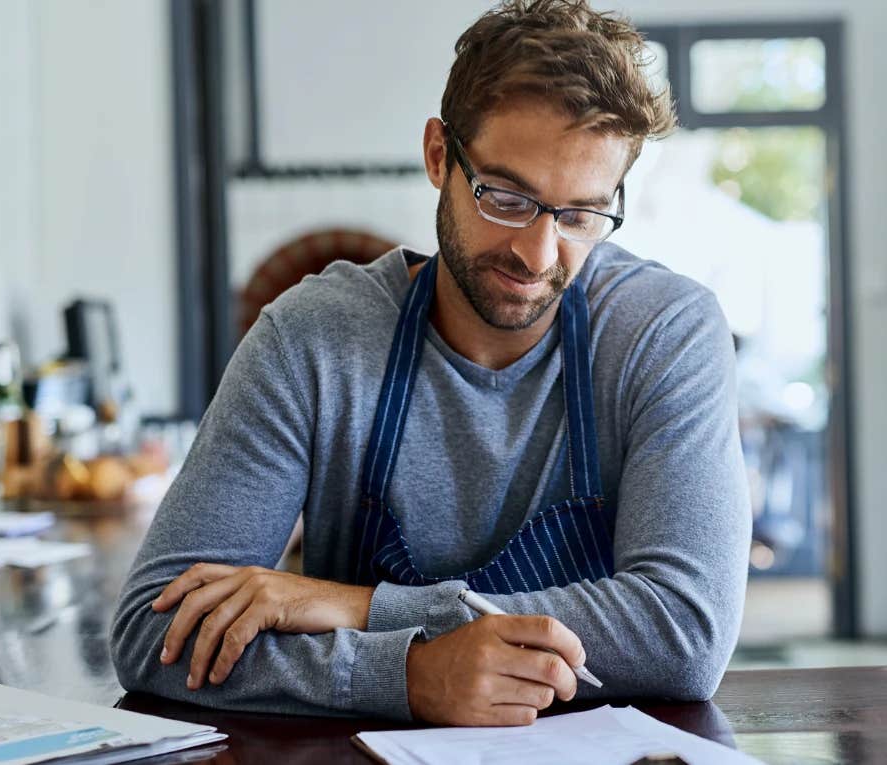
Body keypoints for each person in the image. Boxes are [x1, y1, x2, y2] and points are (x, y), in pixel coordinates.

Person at [110, 0, 749, 727]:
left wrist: (361, 608)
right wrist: (409, 675)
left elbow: (683, 631)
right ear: (440, 156)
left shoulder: (663, 332)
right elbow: (153, 632)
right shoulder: (312, 340)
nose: (538, 255)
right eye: (506, 197)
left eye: (578, 217)